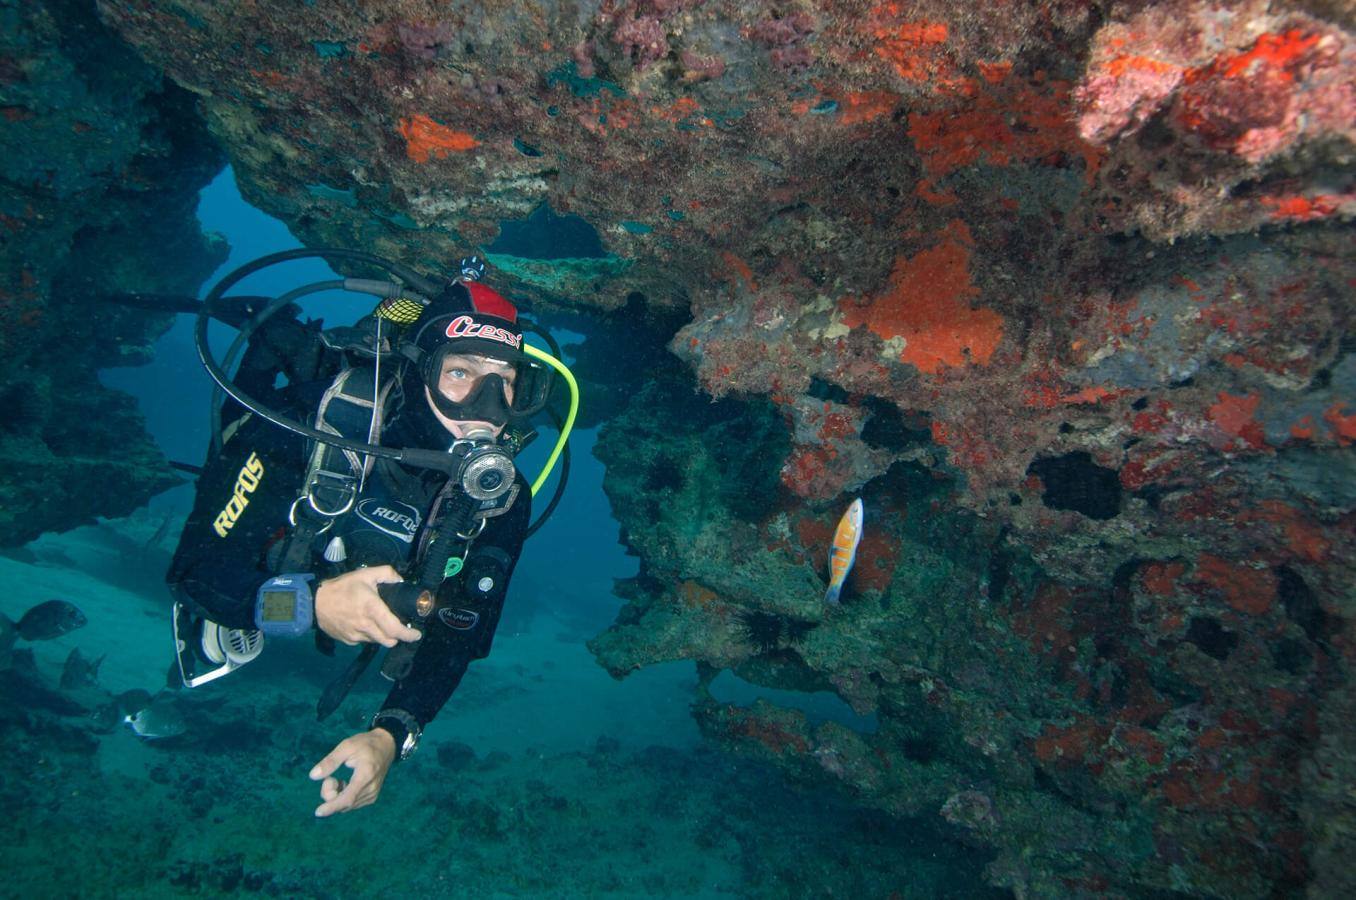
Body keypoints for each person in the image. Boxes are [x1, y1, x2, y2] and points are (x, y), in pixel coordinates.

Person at [166, 276, 546, 817]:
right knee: (215, 630)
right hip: (277, 555)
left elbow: (457, 637)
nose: (485, 405)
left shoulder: (500, 497)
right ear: (420, 372)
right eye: (460, 373)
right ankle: (271, 336)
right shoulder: (307, 423)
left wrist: (391, 735)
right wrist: (309, 605)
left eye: (503, 382)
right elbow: (194, 572)